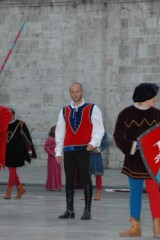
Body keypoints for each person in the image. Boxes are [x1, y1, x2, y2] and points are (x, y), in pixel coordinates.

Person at [113, 83, 160, 238]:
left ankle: (158, 227)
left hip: (153, 163)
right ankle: (135, 228)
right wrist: (133, 147)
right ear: (145, 97)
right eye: (153, 96)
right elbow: (118, 135)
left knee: (155, 194)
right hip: (133, 161)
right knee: (134, 193)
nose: (155, 99)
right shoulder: (126, 113)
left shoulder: (157, 114)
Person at [55, 82, 104, 220]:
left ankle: (87, 210)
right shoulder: (64, 110)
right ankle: (69, 210)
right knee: (69, 179)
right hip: (69, 149)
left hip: (84, 149)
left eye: (77, 91)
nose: (75, 94)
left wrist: (93, 143)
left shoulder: (92, 108)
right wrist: (58, 151)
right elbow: (60, 132)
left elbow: (99, 129)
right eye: (72, 91)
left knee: (85, 179)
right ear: (69, 93)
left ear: (82, 91)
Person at [4, 108, 37, 199]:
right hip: (7, 152)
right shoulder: (3, 124)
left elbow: (26, 138)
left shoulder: (20, 124)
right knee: (12, 171)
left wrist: (30, 152)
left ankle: (8, 192)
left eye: (9, 114)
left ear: (13, 115)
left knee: (12, 171)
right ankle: (20, 188)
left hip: (17, 152)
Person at [44, 125, 62, 191]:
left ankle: (57, 186)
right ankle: (52, 186)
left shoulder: (57, 139)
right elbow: (46, 147)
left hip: (58, 156)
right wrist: (52, 153)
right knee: (52, 171)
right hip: (52, 158)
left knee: (57, 171)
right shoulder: (50, 139)